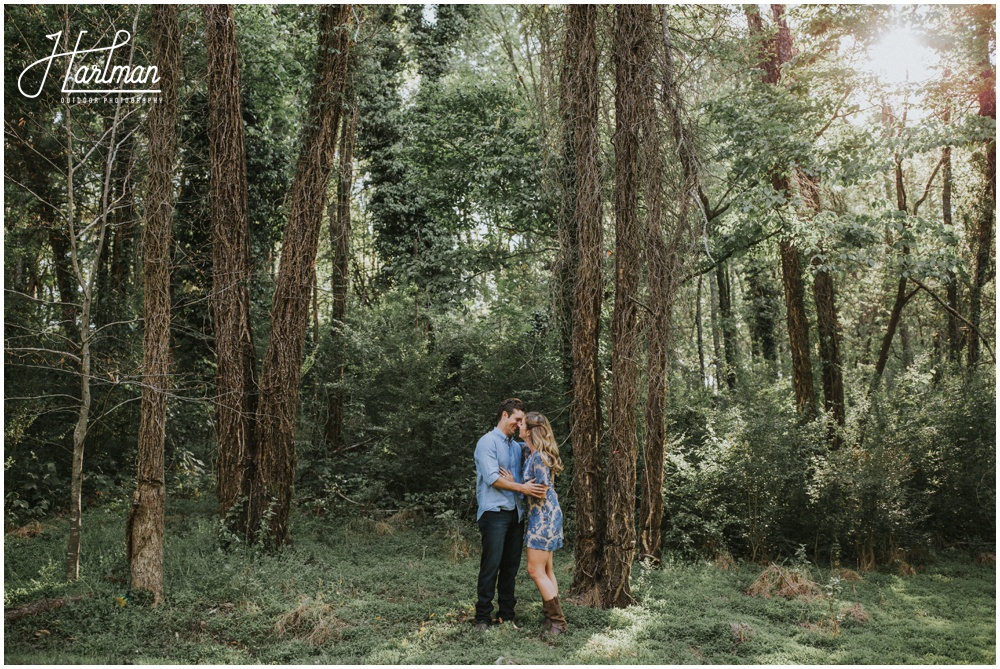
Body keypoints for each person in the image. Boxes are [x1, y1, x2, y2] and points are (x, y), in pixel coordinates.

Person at [473, 398, 548, 631]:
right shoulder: (487, 442)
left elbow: (540, 450)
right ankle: (482, 617)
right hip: (494, 513)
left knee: (510, 567)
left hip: (515, 515)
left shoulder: (517, 447)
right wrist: (523, 488)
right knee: (491, 565)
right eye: (517, 419)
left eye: (522, 421)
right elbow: (492, 478)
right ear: (504, 415)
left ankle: (506, 615)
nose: (519, 424)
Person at [516, 411, 567, 636]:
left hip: (543, 516)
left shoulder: (538, 457)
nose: (518, 426)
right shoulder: (534, 452)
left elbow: (541, 489)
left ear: (530, 430)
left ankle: (558, 622)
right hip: (548, 514)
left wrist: (512, 482)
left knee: (534, 570)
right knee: (546, 569)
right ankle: (551, 619)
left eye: (522, 424)